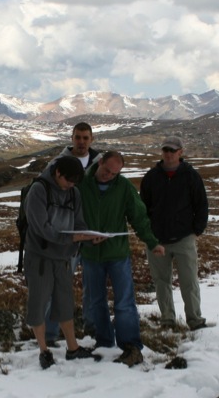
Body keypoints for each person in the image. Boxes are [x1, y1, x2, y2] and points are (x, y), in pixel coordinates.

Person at [77, 151, 164, 367]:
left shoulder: (123, 187)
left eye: (114, 173)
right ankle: (105, 343)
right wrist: (84, 238)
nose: (109, 176)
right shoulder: (81, 185)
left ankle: (130, 346)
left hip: (117, 254)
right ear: (99, 163)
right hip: (90, 255)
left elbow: (138, 217)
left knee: (124, 302)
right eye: (107, 170)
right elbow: (71, 216)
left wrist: (152, 242)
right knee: (96, 301)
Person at [23, 156, 101, 369]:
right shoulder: (39, 190)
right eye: (69, 181)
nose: (72, 186)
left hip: (63, 258)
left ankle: (73, 348)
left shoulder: (74, 193)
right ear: (58, 173)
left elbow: (79, 223)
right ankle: (43, 350)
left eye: (75, 182)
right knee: (38, 303)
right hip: (39, 256)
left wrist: (88, 236)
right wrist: (69, 239)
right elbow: (40, 227)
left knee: (65, 303)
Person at [39, 121, 102, 344]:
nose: (82, 142)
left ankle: (93, 327)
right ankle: (49, 333)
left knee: (93, 285)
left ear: (91, 139)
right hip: (67, 234)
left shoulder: (99, 163)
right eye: (78, 137)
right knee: (59, 284)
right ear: (72, 138)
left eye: (86, 138)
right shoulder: (57, 163)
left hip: (92, 231)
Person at [140, 136, 209, 331]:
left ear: (180, 152)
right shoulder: (151, 177)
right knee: (161, 282)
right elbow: (142, 207)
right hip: (156, 239)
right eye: (165, 150)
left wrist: (197, 230)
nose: (168, 154)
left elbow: (201, 204)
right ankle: (167, 320)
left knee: (189, 281)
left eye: (172, 150)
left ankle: (195, 320)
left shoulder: (191, 176)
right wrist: (148, 235)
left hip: (184, 237)